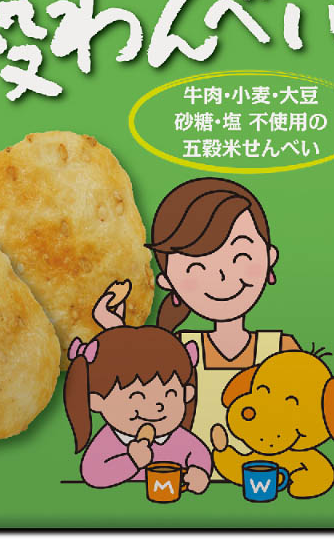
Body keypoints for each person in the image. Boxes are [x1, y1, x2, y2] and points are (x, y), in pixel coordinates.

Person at [94, 178, 299, 451]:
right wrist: (115, 332)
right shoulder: (179, 350)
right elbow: (133, 393)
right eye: (197, 268)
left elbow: (306, 416)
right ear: (167, 281)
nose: (223, 276)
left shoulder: (282, 351)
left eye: (240, 256)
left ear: (269, 256)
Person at [63, 326, 211, 492]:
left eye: (170, 394)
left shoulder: (181, 440)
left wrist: (199, 474)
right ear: (97, 401)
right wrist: (131, 461)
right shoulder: (109, 442)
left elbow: (199, 456)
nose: (157, 406)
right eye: (137, 397)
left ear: (186, 394)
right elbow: (93, 474)